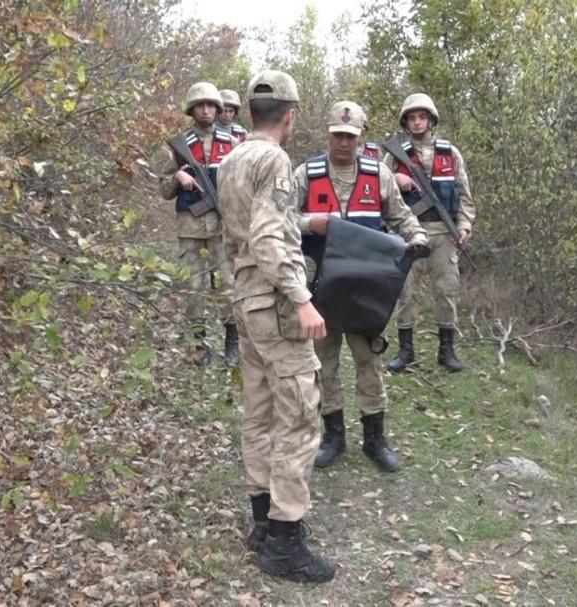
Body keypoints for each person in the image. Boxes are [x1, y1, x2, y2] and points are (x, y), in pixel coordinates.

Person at [216, 70, 336, 584]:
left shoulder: (231, 159)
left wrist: (308, 225)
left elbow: (249, 227)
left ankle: (262, 522)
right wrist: (302, 298)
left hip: (245, 297)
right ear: (290, 116)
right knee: (300, 417)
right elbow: (268, 238)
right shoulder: (275, 159)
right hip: (274, 302)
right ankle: (285, 542)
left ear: (247, 113)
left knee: (259, 410)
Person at [292, 101, 427, 472]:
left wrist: (415, 239)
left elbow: (400, 215)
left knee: (369, 361)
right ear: (327, 132)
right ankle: (333, 435)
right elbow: (283, 217)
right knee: (325, 362)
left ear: (361, 136)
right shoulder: (306, 173)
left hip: (368, 286)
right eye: (337, 134)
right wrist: (310, 224)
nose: (343, 142)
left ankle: (375, 438)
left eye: (350, 136)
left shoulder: (378, 175)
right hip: (321, 285)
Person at [383, 93, 477, 373]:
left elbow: (465, 196)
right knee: (405, 291)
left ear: (431, 119)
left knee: (446, 290)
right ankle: (405, 350)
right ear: (405, 121)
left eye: (422, 116)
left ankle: (446, 351)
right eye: (412, 117)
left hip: (443, 232)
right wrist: (394, 179)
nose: (417, 122)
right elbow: (375, 187)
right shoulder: (394, 155)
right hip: (407, 233)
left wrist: (464, 225)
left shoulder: (450, 153)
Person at [159, 82, 239, 367]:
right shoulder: (179, 146)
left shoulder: (232, 143)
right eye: (200, 105)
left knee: (228, 284)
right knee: (194, 285)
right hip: (190, 226)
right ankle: (199, 345)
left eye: (210, 105)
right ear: (191, 109)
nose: (205, 110)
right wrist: (177, 177)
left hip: (222, 226)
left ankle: (233, 341)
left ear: (218, 109)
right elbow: (164, 189)